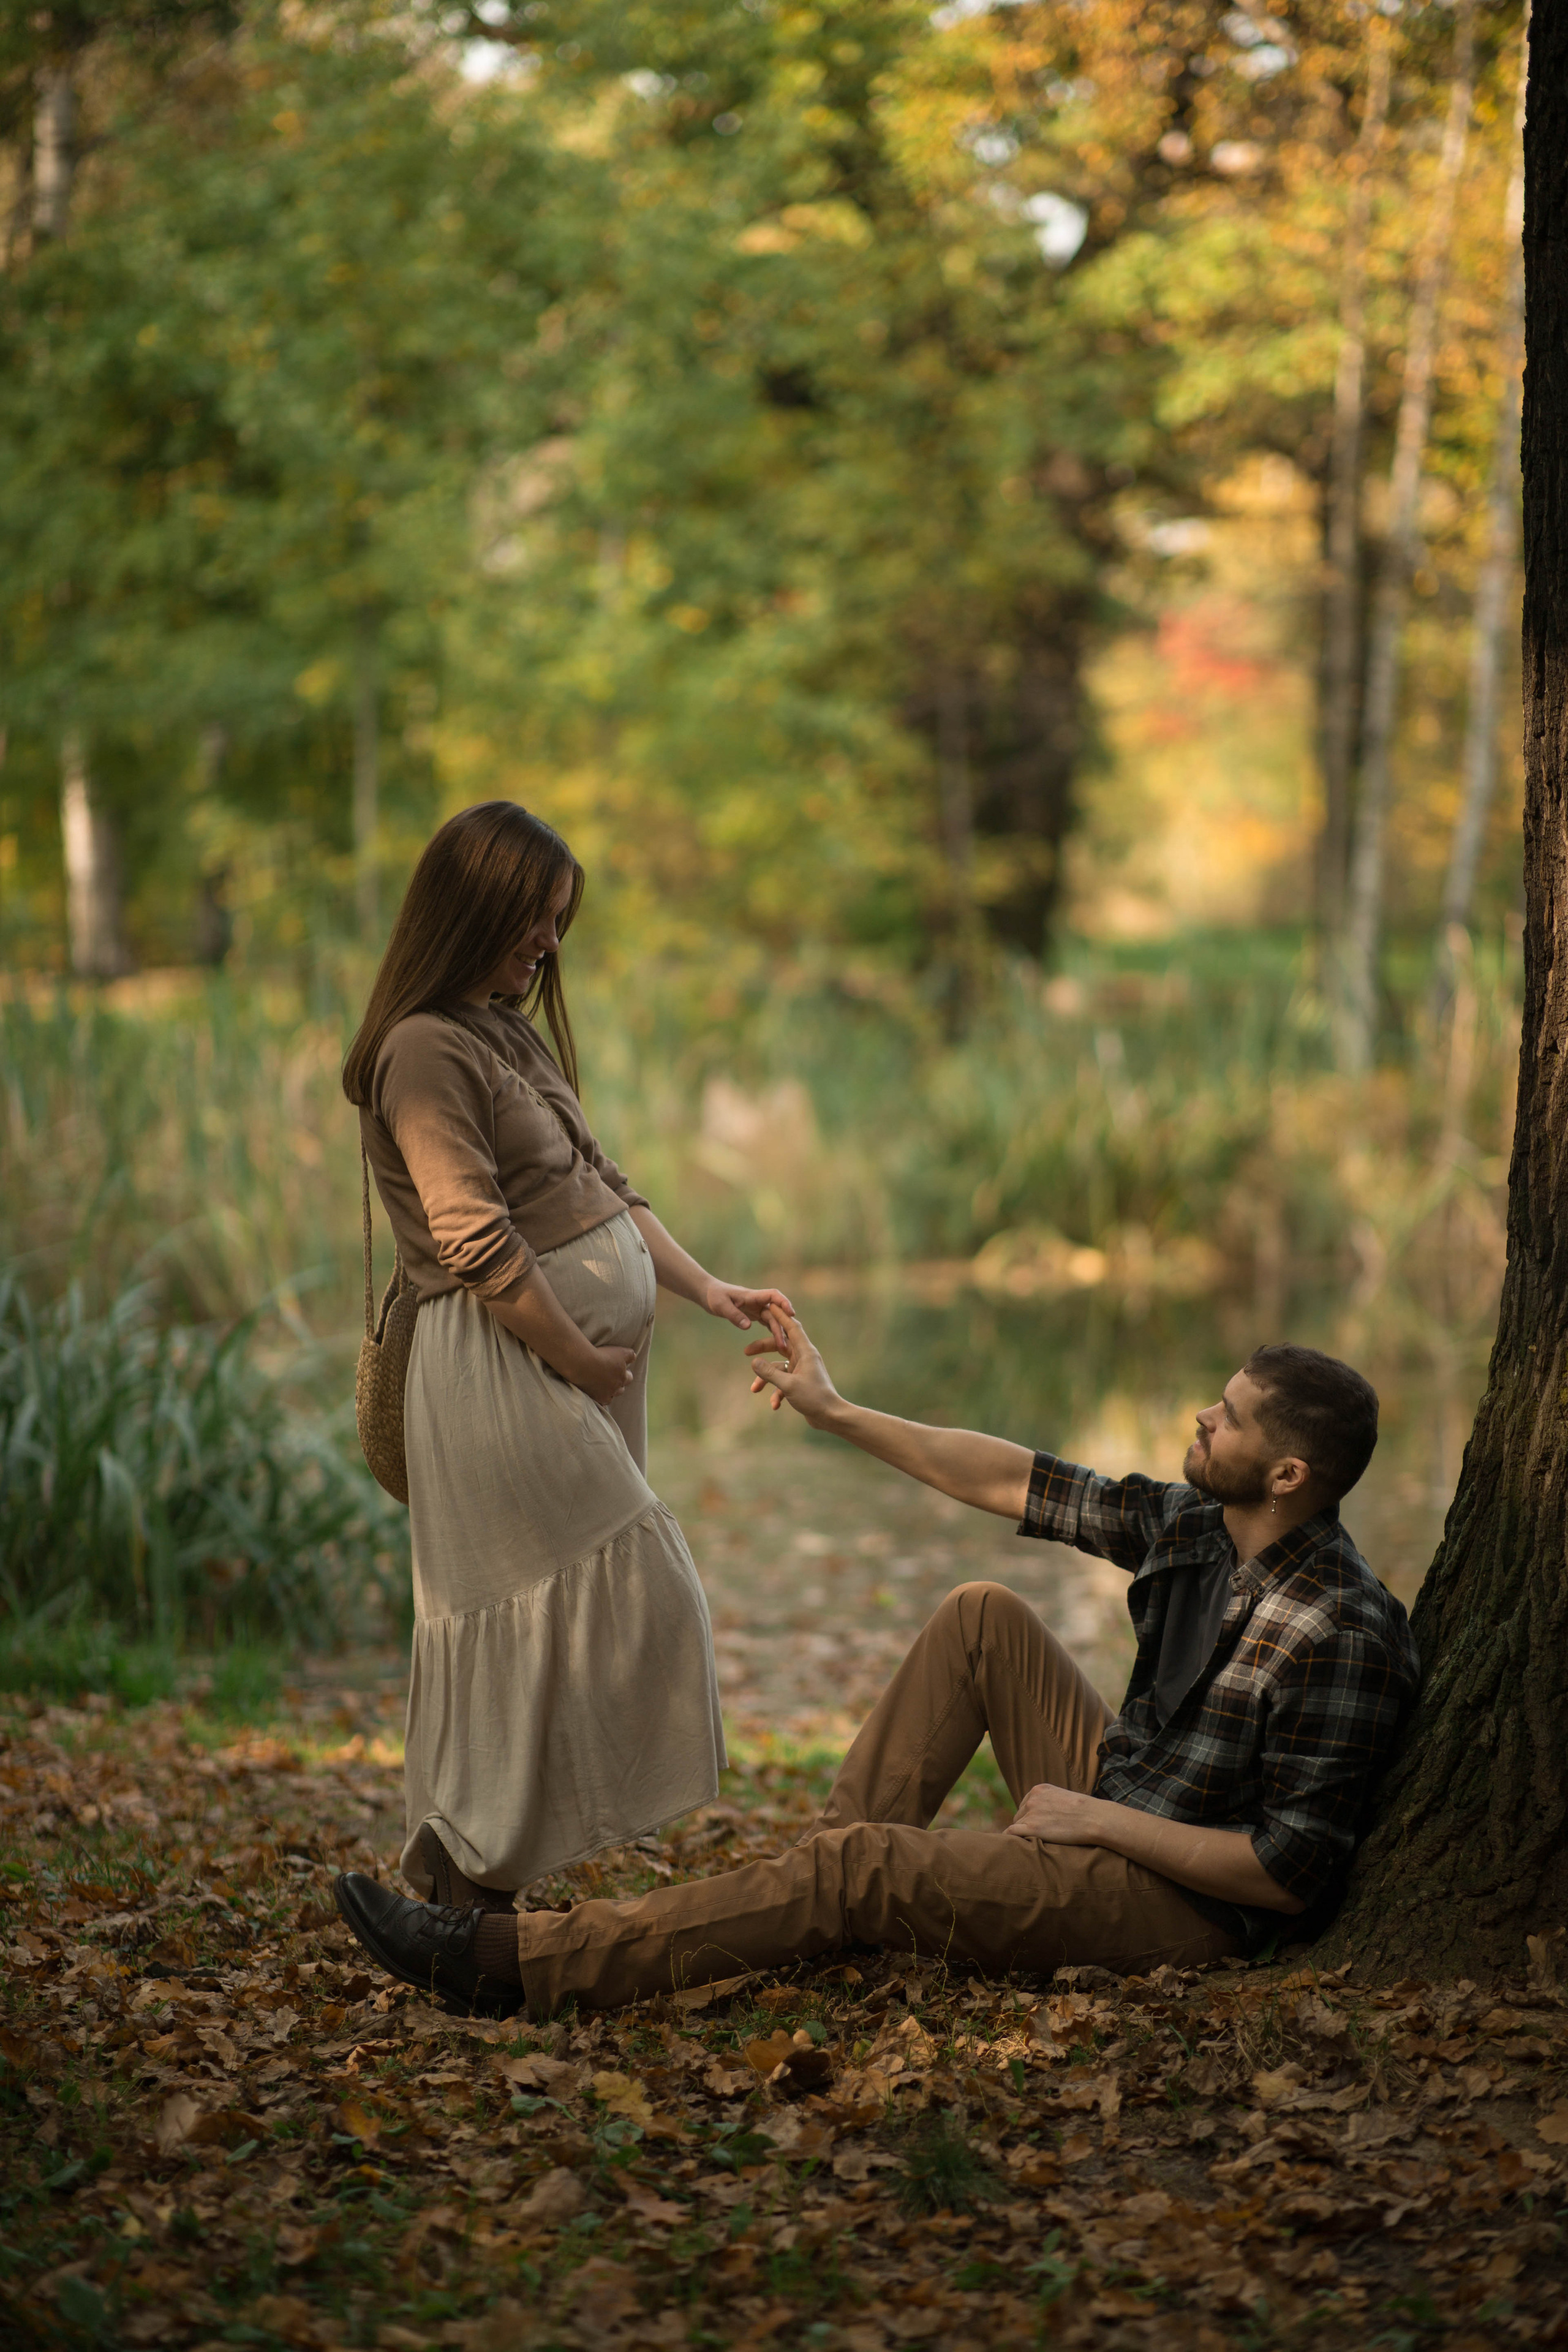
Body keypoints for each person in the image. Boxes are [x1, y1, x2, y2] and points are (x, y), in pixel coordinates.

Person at [334, 1317, 1420, 2015]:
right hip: (1135, 1795)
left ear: (1287, 1471)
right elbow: (1015, 1482)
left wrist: (1101, 1825)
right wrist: (837, 1411)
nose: (1201, 1415)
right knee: (982, 1614)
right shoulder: (1198, 1522)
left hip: (1183, 1905)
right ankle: (803, 1905)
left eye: (1226, 1419)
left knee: (865, 1875)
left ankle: (515, 1964)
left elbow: (1288, 1875)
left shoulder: (1344, 1632)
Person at [337, 801, 791, 1920]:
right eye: (533, 917)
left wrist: (705, 1289)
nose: (549, 942)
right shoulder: (421, 1050)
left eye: (557, 920)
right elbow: (474, 1237)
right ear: (472, 909)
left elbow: (608, 1190)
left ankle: (462, 1906)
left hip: (562, 1364)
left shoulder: (505, 1031)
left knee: (546, 1615)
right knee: (610, 1592)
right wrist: (579, 1360)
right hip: (503, 1367)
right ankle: (466, 1892)